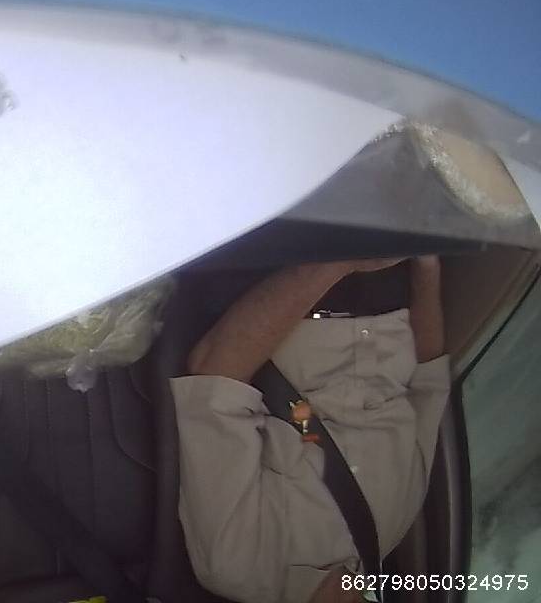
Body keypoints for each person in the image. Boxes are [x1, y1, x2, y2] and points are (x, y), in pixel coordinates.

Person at [171, 257, 449, 603]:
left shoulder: (238, 564)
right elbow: (429, 378)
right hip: (394, 286)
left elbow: (215, 368)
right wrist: (426, 266)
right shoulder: (392, 528)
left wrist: (338, 264)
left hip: (290, 279)